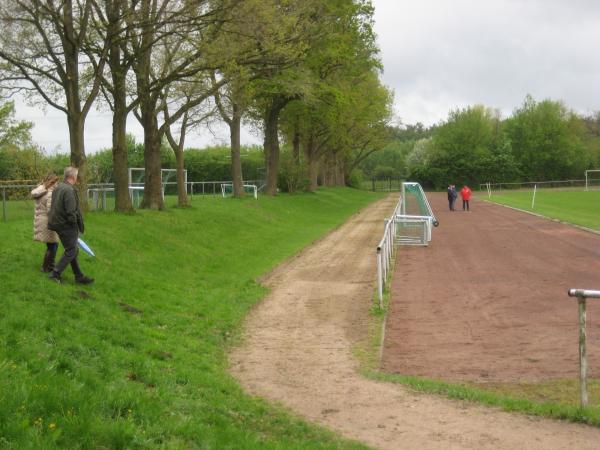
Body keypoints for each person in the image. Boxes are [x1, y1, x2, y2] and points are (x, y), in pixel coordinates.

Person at [47, 166, 94, 284]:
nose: (77, 178)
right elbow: (71, 211)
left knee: (72, 249)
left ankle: (79, 276)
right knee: (72, 250)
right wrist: (75, 226)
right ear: (73, 177)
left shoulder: (59, 187)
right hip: (65, 224)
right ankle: (55, 274)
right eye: (76, 176)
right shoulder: (69, 190)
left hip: (56, 222)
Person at [31, 173, 60, 272]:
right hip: (48, 222)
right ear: (53, 182)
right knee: (53, 245)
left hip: (41, 221)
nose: (58, 184)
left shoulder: (41, 190)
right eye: (57, 182)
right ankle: (46, 267)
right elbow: (50, 210)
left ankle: (50, 266)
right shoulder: (50, 193)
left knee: (52, 245)